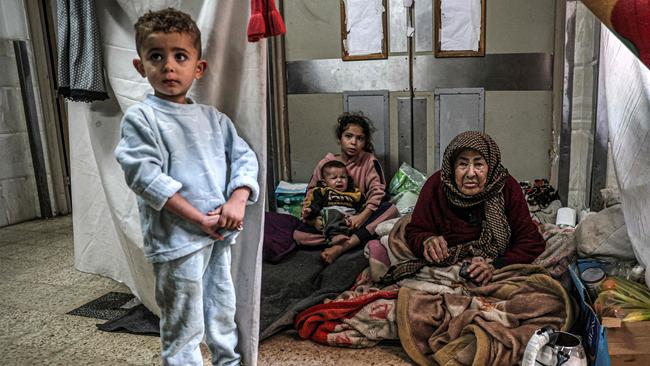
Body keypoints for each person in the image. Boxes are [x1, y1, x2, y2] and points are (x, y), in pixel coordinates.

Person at [114, 8, 259, 366]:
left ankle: (229, 362)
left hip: (217, 236)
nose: (168, 67)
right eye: (156, 57)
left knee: (221, 310)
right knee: (183, 324)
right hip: (177, 243)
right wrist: (199, 219)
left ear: (199, 68)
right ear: (140, 66)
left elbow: (245, 159)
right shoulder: (142, 118)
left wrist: (238, 199)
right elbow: (144, 177)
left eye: (180, 56)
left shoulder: (214, 119)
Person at [404, 131, 544, 285]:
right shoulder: (436, 185)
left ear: (490, 167)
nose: (471, 173)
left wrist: (495, 266)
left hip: (495, 259)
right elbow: (414, 230)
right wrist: (427, 240)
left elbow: (530, 241)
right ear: (452, 167)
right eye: (463, 164)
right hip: (449, 262)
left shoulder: (506, 187)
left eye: (478, 164)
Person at [294, 113, 399, 264]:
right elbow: (311, 193)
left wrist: (360, 217)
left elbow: (378, 193)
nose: (353, 142)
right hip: (328, 220)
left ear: (364, 142)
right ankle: (353, 240)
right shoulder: (325, 163)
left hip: (355, 220)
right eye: (348, 136)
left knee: (390, 210)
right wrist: (314, 221)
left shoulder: (369, 161)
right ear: (339, 138)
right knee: (299, 235)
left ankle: (343, 246)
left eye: (359, 138)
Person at [303, 160, 365, 245]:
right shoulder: (322, 191)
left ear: (348, 179)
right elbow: (315, 204)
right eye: (334, 178)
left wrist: (358, 216)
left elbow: (361, 206)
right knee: (333, 213)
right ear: (324, 182)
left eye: (343, 177)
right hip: (330, 216)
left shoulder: (355, 193)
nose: (339, 180)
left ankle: (342, 235)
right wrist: (309, 211)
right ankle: (335, 236)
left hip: (349, 218)